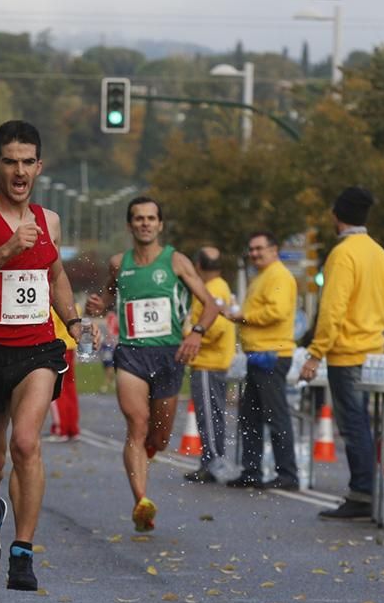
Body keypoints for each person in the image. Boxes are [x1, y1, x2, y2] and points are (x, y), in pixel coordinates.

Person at [0, 120, 96, 591]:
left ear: (39, 166)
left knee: (27, 443)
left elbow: (54, 277)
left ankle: (22, 550)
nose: (19, 171)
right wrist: (6, 249)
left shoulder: (49, 220)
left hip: (36, 350)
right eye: (9, 161)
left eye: (27, 162)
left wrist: (71, 320)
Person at [85, 197, 221, 531]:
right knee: (137, 422)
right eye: (138, 218)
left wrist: (197, 334)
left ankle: (145, 459)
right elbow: (107, 299)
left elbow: (210, 305)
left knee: (158, 438)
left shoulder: (175, 261)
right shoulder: (120, 263)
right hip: (131, 352)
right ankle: (141, 501)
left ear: (160, 224)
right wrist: (98, 305)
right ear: (130, 225)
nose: (145, 223)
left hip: (169, 355)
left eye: (150, 218)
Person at [298, 188, 384, 519]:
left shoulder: (342, 255)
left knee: (353, 425)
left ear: (336, 217)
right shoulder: (379, 252)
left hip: (347, 352)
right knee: (363, 424)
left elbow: (332, 309)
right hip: (373, 351)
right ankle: (367, 489)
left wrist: (315, 354)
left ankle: (363, 492)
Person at [225, 231, 300, 491]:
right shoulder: (263, 277)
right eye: (252, 249)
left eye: (259, 248)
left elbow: (276, 312)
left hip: (272, 354)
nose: (254, 253)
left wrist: (243, 316)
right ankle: (252, 471)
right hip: (259, 354)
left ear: (274, 249)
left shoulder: (278, 276)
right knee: (250, 417)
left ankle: (288, 474)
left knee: (275, 416)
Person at [183, 246, 237, 484]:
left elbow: (217, 326)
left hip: (208, 361)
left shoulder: (212, 290)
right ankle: (209, 461)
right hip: (212, 360)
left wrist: (191, 332)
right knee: (211, 413)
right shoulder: (220, 287)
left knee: (209, 414)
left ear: (198, 266)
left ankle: (214, 461)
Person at [45, 308, 79, 443]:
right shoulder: (74, 305)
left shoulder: (53, 307)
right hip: (70, 348)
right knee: (70, 388)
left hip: (58, 348)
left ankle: (61, 428)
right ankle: (72, 427)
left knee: (57, 389)